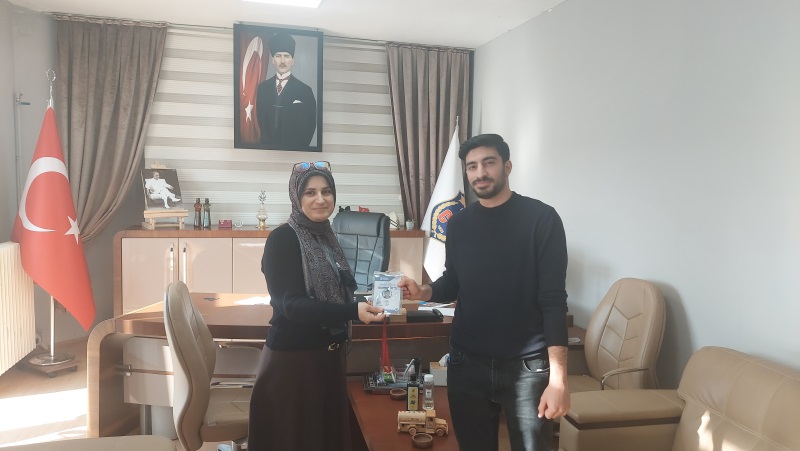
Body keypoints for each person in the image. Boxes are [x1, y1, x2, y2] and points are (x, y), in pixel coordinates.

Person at [398, 134, 570, 451]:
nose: (480, 173)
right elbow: (454, 280)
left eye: (488, 163)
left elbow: (554, 301)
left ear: (507, 166)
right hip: (467, 363)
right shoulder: (458, 224)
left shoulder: (542, 219)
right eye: (472, 166)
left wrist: (558, 379)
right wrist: (424, 290)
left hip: (527, 367)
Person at [247, 160, 386, 451]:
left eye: (326, 191)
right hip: (293, 365)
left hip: (327, 360)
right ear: (296, 197)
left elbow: (336, 293)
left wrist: (370, 301)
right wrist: (352, 312)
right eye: (310, 192)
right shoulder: (282, 239)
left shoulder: (326, 236)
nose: (320, 199)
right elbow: (291, 305)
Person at [256, 32, 317, 150]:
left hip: (295, 151)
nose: (283, 61)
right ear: (273, 60)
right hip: (267, 150)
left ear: (293, 60)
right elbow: (261, 121)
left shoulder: (305, 91)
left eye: (287, 56)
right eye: (278, 56)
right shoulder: (263, 89)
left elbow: (310, 125)